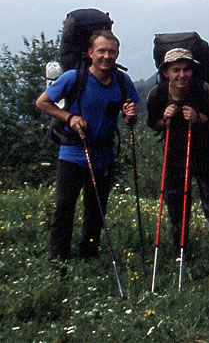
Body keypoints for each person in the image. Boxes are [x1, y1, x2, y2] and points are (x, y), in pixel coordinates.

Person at [36, 30, 139, 261]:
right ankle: (58, 259)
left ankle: (88, 256)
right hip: (72, 153)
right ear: (90, 53)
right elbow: (42, 102)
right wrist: (69, 118)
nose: (106, 56)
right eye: (101, 51)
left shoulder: (122, 82)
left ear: (117, 53)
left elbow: (130, 118)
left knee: (96, 210)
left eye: (111, 51)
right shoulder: (74, 78)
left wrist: (130, 115)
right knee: (64, 208)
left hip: (104, 155)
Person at [147, 48, 209, 259]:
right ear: (166, 72)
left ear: (192, 71)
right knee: (176, 209)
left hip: (206, 154)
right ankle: (181, 254)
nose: (182, 75)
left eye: (186, 69)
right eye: (176, 70)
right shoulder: (157, 95)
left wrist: (200, 118)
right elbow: (153, 124)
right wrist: (164, 119)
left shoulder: (206, 93)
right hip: (174, 155)